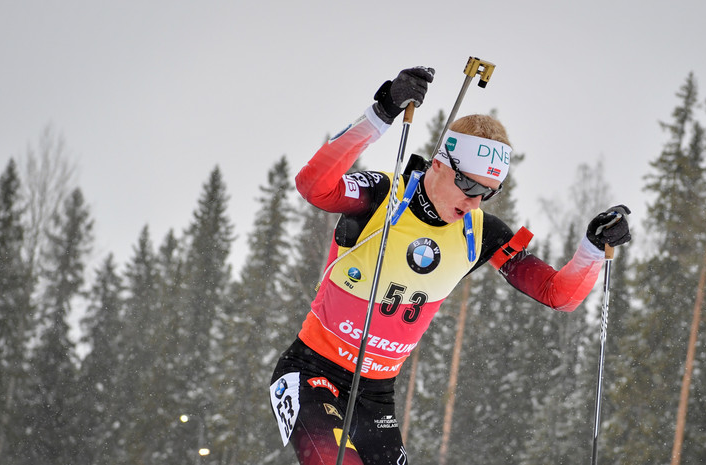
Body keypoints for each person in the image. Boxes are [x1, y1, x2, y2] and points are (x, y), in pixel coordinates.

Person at [270, 66, 631, 465]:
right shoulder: (383, 196)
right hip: (310, 372)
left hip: (374, 394)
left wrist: (593, 248)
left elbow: (557, 295)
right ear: (440, 165)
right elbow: (313, 186)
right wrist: (383, 112)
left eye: (489, 193)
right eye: (470, 185)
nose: (475, 202)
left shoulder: (480, 234)